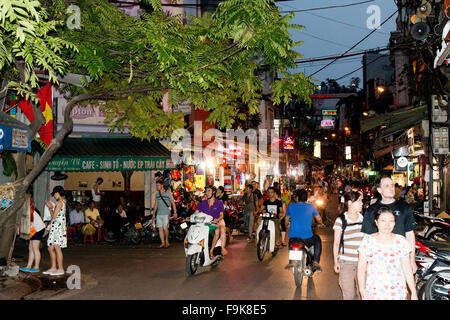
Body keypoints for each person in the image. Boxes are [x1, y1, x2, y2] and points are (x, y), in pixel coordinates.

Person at [357, 206, 418, 300]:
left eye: (391, 221)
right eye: (383, 221)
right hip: (374, 293)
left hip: (398, 293)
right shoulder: (368, 241)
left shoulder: (401, 241)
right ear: (376, 222)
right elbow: (361, 267)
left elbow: (407, 267)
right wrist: (362, 290)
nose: (387, 224)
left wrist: (413, 292)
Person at [361, 176, 417, 274]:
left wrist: (412, 260)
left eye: (392, 185)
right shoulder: (371, 210)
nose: (391, 188)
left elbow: (410, 235)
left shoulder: (404, 208)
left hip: (400, 259)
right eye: (387, 186)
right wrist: (364, 262)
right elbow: (366, 237)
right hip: (377, 261)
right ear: (379, 190)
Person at [332, 191, 364, 300]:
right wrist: (336, 261)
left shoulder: (363, 220)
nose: (362, 203)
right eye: (359, 200)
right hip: (346, 262)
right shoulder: (341, 220)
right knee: (349, 294)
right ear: (350, 203)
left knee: (362, 293)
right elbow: (336, 243)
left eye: (361, 200)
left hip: (362, 262)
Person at [284, 189, 324, 272]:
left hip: (294, 237)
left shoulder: (291, 206)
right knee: (317, 240)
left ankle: (291, 261)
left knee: (291, 242)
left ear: (297, 197)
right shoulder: (311, 206)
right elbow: (319, 219)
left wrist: (286, 224)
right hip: (307, 237)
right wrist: (321, 223)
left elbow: (286, 220)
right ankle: (316, 262)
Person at [196, 185, 227, 257]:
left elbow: (222, 215)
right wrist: (190, 217)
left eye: (209, 191)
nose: (207, 193)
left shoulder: (219, 203)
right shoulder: (203, 203)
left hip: (213, 224)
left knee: (218, 231)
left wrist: (217, 219)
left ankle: (211, 250)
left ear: (213, 192)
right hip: (203, 224)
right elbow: (196, 212)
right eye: (206, 191)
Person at [43, 186, 67, 276]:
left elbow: (54, 217)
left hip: (58, 228)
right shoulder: (62, 203)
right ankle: (53, 267)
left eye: (54, 194)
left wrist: (50, 208)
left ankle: (60, 268)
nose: (54, 196)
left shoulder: (60, 203)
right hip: (56, 227)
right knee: (50, 247)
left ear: (58, 193)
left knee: (57, 248)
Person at [20, 202, 45, 273]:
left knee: (35, 248)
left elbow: (29, 223)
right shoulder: (27, 211)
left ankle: (36, 267)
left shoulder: (29, 212)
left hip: (38, 229)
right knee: (31, 248)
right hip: (34, 229)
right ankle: (28, 266)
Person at [151, 179, 177, 248]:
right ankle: (162, 243)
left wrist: (175, 212)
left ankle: (167, 241)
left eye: (158, 185)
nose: (157, 187)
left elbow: (173, 203)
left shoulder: (168, 193)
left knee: (165, 227)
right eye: (156, 185)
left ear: (162, 186)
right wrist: (153, 215)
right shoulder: (157, 194)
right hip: (159, 213)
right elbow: (156, 204)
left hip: (166, 213)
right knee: (160, 228)